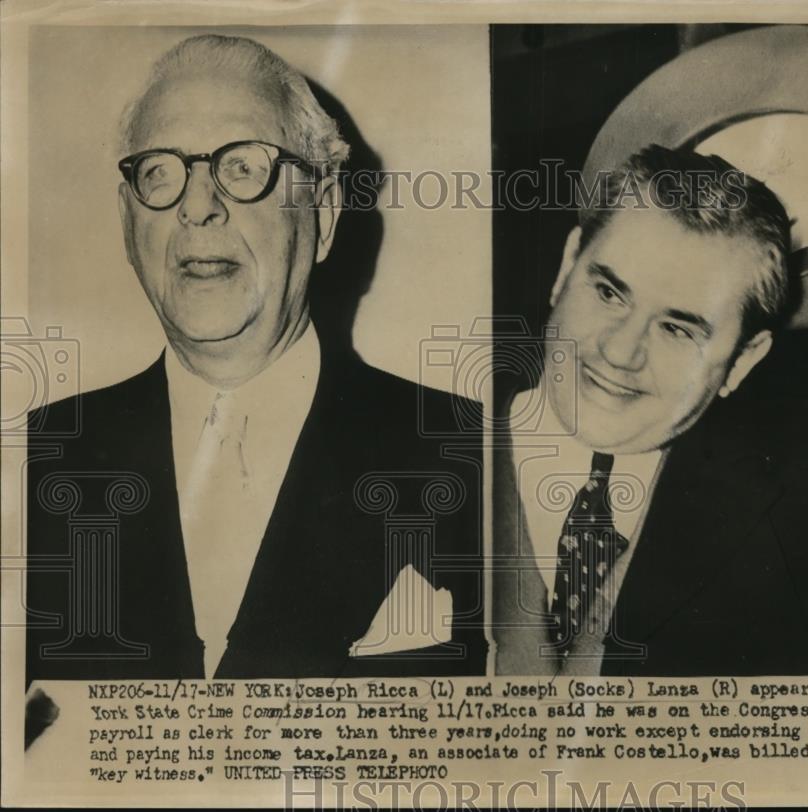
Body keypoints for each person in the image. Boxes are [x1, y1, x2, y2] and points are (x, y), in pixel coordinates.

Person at [25, 34, 484, 681]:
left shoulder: (470, 457)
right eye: (159, 171)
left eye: (243, 168)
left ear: (323, 214)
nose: (198, 207)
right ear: (127, 222)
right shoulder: (32, 460)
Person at [493, 140, 808, 676]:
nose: (620, 351)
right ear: (567, 267)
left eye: (677, 328)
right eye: (609, 293)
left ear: (743, 360)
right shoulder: (404, 447)